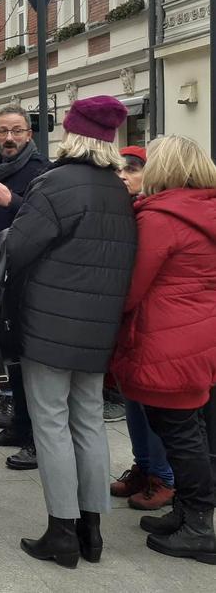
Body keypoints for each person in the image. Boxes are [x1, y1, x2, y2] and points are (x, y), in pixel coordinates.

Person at [5, 96, 137, 567]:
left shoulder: (55, 183)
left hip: (48, 323)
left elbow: (17, 249)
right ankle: (92, 531)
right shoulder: (118, 190)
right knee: (88, 422)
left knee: (51, 425)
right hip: (98, 326)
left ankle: (61, 531)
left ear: (73, 134)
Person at [112, 135, 216, 564]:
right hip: (199, 332)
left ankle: (199, 526)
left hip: (166, 335)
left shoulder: (160, 217)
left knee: (180, 431)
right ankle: (187, 513)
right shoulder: (205, 208)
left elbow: (132, 287)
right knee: (190, 427)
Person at [0, 104, 49, 470]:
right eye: (3, 130)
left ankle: (35, 440)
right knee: (6, 356)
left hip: (22, 276)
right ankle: (18, 427)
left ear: (29, 134)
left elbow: (46, 224)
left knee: (25, 361)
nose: (9, 138)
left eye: (17, 131)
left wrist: (12, 202)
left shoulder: (41, 171)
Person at [110, 144, 174, 512]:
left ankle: (163, 477)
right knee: (133, 399)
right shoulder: (126, 210)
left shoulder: (154, 213)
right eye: (118, 169)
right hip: (129, 324)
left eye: (132, 169)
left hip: (153, 320)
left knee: (153, 404)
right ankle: (144, 466)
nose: (123, 175)